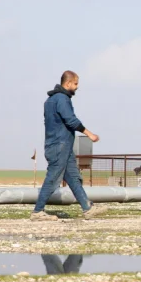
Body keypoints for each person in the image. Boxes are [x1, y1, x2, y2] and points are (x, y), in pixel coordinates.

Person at [33, 70, 101, 221]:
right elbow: (71, 120)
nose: (77, 87)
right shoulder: (62, 99)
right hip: (60, 145)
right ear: (68, 83)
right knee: (53, 178)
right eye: (76, 83)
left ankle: (87, 208)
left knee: (73, 178)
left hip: (61, 145)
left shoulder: (49, 101)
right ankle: (38, 211)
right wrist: (89, 134)